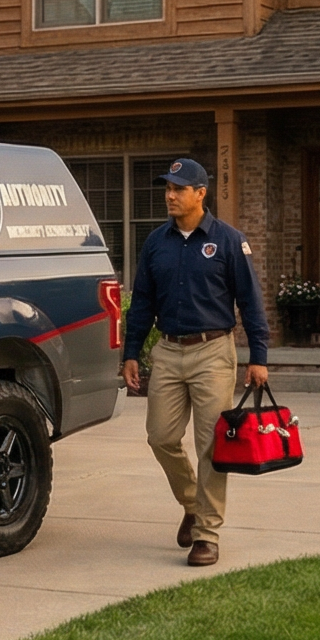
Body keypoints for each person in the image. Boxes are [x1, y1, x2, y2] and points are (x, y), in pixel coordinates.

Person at [121, 157, 269, 567]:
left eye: (178, 188)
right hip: (168, 351)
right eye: (167, 188)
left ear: (201, 193)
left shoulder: (229, 241)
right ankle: (192, 503)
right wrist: (131, 352)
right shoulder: (156, 243)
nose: (170, 195)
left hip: (213, 352)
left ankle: (206, 534)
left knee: (211, 445)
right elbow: (143, 302)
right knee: (160, 437)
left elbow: (250, 302)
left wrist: (258, 357)